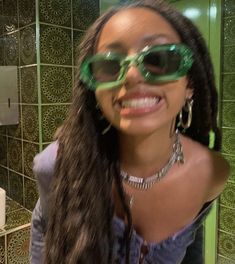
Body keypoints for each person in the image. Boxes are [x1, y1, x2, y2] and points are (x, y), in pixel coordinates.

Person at [29, 0, 230, 263]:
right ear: (96, 91)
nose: (132, 76)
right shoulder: (57, 166)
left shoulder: (211, 173)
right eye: (110, 65)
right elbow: (44, 243)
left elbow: (192, 250)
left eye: (159, 59)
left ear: (189, 83)